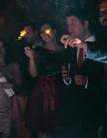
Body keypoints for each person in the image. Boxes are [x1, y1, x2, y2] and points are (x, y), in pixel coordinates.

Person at [58, 8, 103, 138]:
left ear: (85, 24)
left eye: (73, 23)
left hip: (94, 117)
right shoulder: (71, 47)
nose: (70, 28)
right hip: (72, 117)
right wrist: (67, 79)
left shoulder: (101, 46)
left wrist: (87, 82)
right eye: (68, 24)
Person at [24, 23, 64, 138]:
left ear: (55, 31)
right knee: (44, 127)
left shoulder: (65, 48)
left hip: (62, 89)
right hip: (44, 91)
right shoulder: (38, 50)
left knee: (61, 127)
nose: (44, 33)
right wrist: (31, 58)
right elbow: (33, 74)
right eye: (41, 32)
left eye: (47, 29)